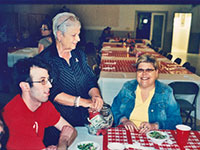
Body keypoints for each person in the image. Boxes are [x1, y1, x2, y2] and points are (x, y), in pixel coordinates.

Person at [36, 12, 104, 145]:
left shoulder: (79, 54)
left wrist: (95, 96)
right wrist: (84, 102)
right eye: (74, 35)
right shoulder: (46, 60)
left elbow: (90, 80)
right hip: (59, 126)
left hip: (83, 121)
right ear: (59, 35)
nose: (78, 39)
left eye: (78, 34)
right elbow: (53, 93)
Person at [2, 57, 77, 149]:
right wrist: (63, 141)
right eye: (42, 81)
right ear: (25, 86)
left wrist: (59, 147)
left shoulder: (42, 104)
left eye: (48, 80)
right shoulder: (16, 116)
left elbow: (71, 130)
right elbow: (66, 135)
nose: (50, 85)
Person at [111, 54, 182, 133]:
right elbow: (114, 108)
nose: (144, 74)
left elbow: (176, 120)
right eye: (140, 70)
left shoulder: (165, 92)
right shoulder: (127, 87)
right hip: (126, 132)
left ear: (156, 73)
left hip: (153, 136)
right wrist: (124, 120)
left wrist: (155, 126)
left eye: (149, 70)